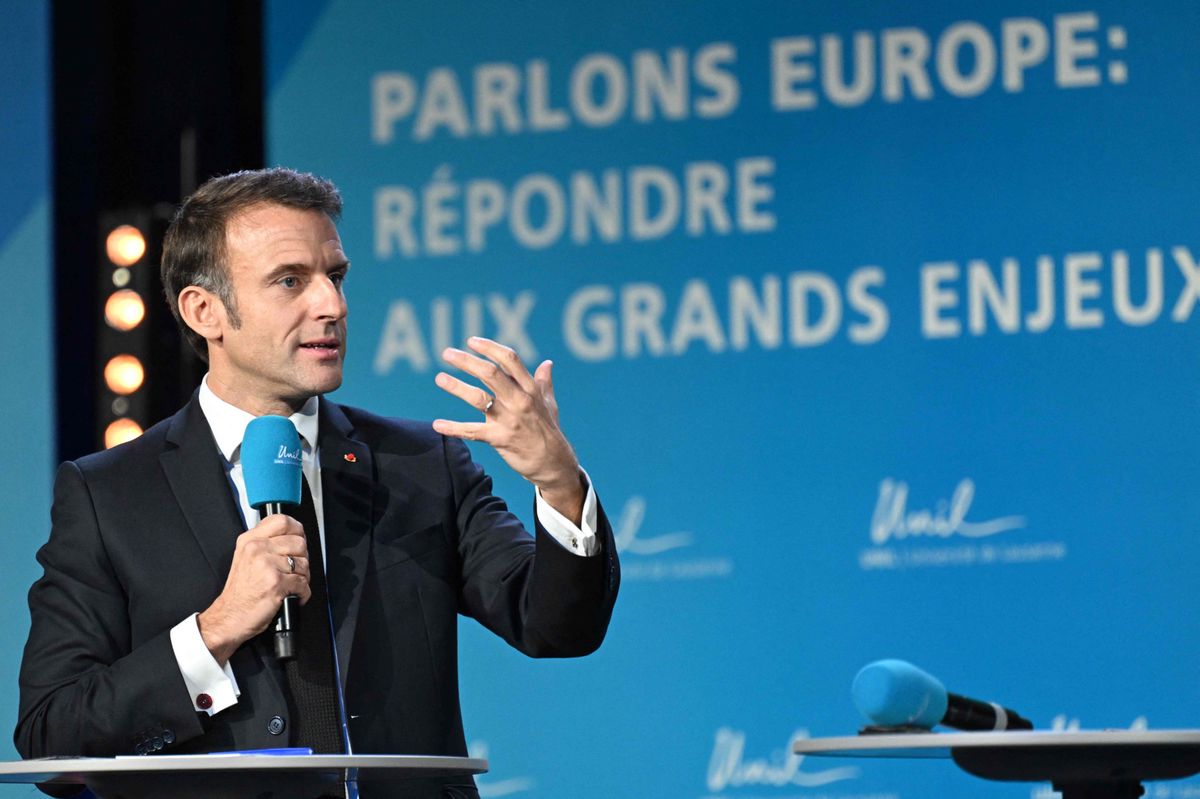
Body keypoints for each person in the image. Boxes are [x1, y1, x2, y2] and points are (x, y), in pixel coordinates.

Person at [15, 168, 619, 798]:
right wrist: (214, 629)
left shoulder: (420, 463)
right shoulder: (109, 494)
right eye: (289, 281)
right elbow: (53, 740)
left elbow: (557, 626)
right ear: (205, 310)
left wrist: (559, 486)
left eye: (335, 276)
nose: (332, 305)